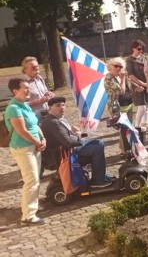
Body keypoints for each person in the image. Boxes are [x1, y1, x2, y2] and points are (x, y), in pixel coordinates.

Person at [40, 97, 111, 188]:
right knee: (98, 147)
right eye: (58, 106)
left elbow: (64, 134)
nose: (62, 107)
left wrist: (73, 131)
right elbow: (67, 142)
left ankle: (101, 176)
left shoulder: (55, 118)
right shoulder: (54, 122)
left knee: (98, 142)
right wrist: (78, 135)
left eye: (63, 105)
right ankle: (98, 181)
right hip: (64, 153)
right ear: (49, 108)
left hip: (66, 149)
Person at [4, 78, 47, 226]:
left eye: (29, 87)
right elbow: (22, 131)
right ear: (15, 91)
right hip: (23, 148)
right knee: (31, 180)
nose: (29, 90)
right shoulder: (14, 108)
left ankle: (32, 206)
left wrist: (42, 138)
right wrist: (37, 142)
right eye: (25, 88)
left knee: (35, 179)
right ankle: (27, 216)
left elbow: (34, 125)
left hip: (34, 146)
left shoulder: (24, 105)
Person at [104, 57, 131, 155]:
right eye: (116, 66)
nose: (118, 68)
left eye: (120, 66)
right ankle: (125, 151)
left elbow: (127, 88)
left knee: (126, 127)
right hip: (116, 106)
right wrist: (123, 78)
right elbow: (121, 91)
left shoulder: (117, 77)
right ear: (110, 67)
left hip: (126, 104)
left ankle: (124, 148)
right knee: (123, 128)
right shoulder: (108, 79)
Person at [126, 39, 148, 143]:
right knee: (141, 107)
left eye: (142, 49)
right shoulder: (130, 60)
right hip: (137, 86)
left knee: (147, 107)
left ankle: (144, 126)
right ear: (133, 48)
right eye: (139, 49)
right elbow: (131, 75)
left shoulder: (144, 58)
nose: (141, 51)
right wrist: (142, 84)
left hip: (147, 85)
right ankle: (137, 126)